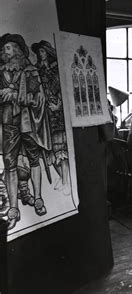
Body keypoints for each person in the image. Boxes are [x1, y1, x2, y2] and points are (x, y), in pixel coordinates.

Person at [0, 33, 52, 229]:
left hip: (27, 122)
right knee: (9, 162)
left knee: (33, 158)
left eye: (9, 47)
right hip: (8, 123)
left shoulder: (31, 71)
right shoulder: (0, 72)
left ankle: (38, 197)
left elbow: (38, 99)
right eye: (4, 48)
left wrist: (15, 95)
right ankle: (13, 208)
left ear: (19, 51)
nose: (6, 51)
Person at [32, 40, 71, 195]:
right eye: (38, 52)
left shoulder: (56, 70)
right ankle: (62, 179)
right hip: (44, 113)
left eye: (42, 51)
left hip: (58, 114)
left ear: (48, 52)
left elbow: (63, 88)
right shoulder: (37, 70)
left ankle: (66, 182)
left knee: (61, 149)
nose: (40, 55)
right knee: (50, 151)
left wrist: (59, 105)